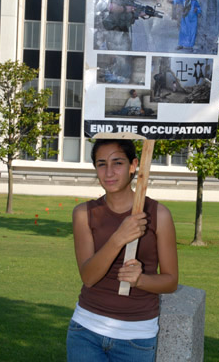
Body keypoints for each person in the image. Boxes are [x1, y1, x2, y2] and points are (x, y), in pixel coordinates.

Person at [66, 139, 178, 362]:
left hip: (136, 338)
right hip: (86, 331)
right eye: (101, 164)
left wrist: (140, 280)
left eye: (117, 162)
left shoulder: (159, 214)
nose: (109, 172)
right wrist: (118, 238)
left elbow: (170, 281)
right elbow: (88, 277)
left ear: (133, 165)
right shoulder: (84, 213)